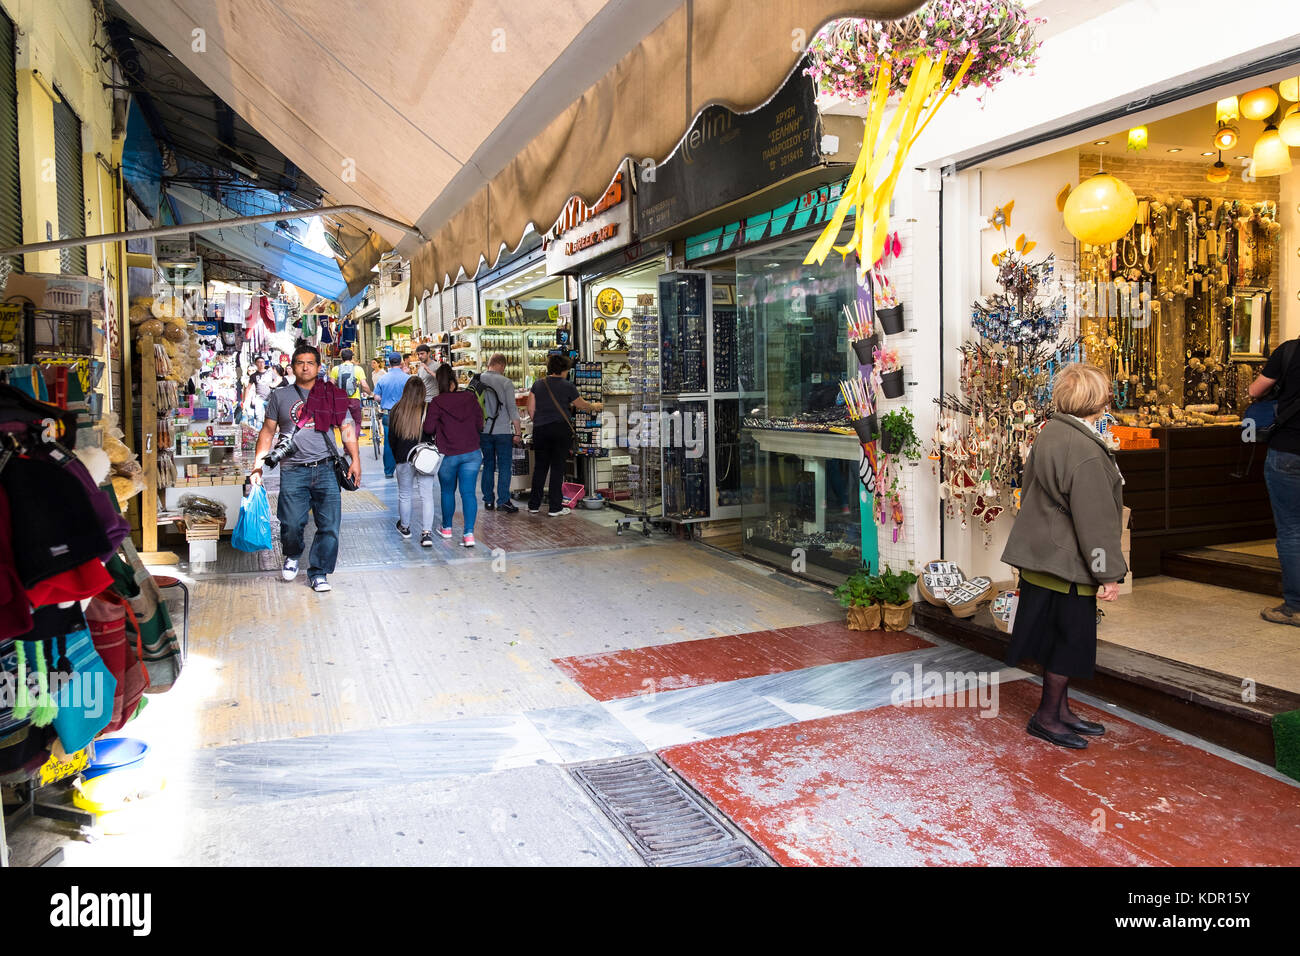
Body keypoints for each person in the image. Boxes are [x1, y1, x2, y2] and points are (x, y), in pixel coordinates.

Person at [1001, 362, 1125, 750]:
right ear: (1099, 400)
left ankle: (1062, 710)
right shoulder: (1086, 450)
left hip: (1043, 559)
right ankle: (1048, 716)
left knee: (1054, 636)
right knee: (1068, 642)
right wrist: (1108, 574)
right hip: (1069, 565)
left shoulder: (1052, 432)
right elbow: (1096, 522)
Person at [251, 344, 361, 593]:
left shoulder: (332, 393)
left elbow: (346, 428)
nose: (305, 367)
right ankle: (291, 554)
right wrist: (257, 466)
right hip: (292, 470)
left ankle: (319, 571)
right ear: (292, 367)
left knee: (330, 526)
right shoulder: (280, 396)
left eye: (310, 363)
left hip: (326, 468)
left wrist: (355, 458)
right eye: (300, 362)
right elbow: (267, 432)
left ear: (319, 367)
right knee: (290, 523)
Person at [1249, 336, 1300, 627]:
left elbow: (1256, 390)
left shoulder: (1290, 350)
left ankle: (1295, 606)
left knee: (1293, 530)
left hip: (1289, 451)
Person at [526, 354, 601, 516]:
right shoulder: (567, 386)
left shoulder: (537, 384)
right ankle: (555, 507)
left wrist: (539, 421)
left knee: (540, 467)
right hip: (560, 429)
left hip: (540, 429)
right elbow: (581, 405)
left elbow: (530, 408)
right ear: (563, 370)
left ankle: (533, 505)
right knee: (557, 468)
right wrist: (595, 406)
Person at [423, 363, 483, 546]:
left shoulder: (437, 403)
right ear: (454, 382)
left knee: (447, 491)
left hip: (448, 454)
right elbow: (480, 425)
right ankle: (469, 534)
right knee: (468, 493)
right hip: (472, 452)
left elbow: (428, 428)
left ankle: (447, 528)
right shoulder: (471, 398)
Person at [387, 376, 440, 547]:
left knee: (404, 495)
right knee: (427, 496)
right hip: (424, 457)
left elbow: (391, 438)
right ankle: (426, 534)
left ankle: (405, 527)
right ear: (423, 392)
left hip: (403, 457)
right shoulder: (429, 408)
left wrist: (397, 458)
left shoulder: (396, 409)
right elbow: (434, 432)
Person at [478, 353, 522, 513]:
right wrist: (518, 431)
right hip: (503, 431)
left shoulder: (478, 379)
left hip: (484, 431)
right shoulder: (506, 382)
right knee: (504, 466)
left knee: (488, 464)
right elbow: (512, 409)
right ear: (501, 365)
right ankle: (503, 501)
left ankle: (488, 500)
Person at [372, 352, 410, 478]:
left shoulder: (383, 378)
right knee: (405, 440)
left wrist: (383, 399)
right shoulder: (407, 378)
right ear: (401, 363)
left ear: (389, 363)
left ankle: (388, 471)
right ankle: (405, 469)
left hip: (388, 415)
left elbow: (376, 397)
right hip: (404, 414)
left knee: (388, 443)